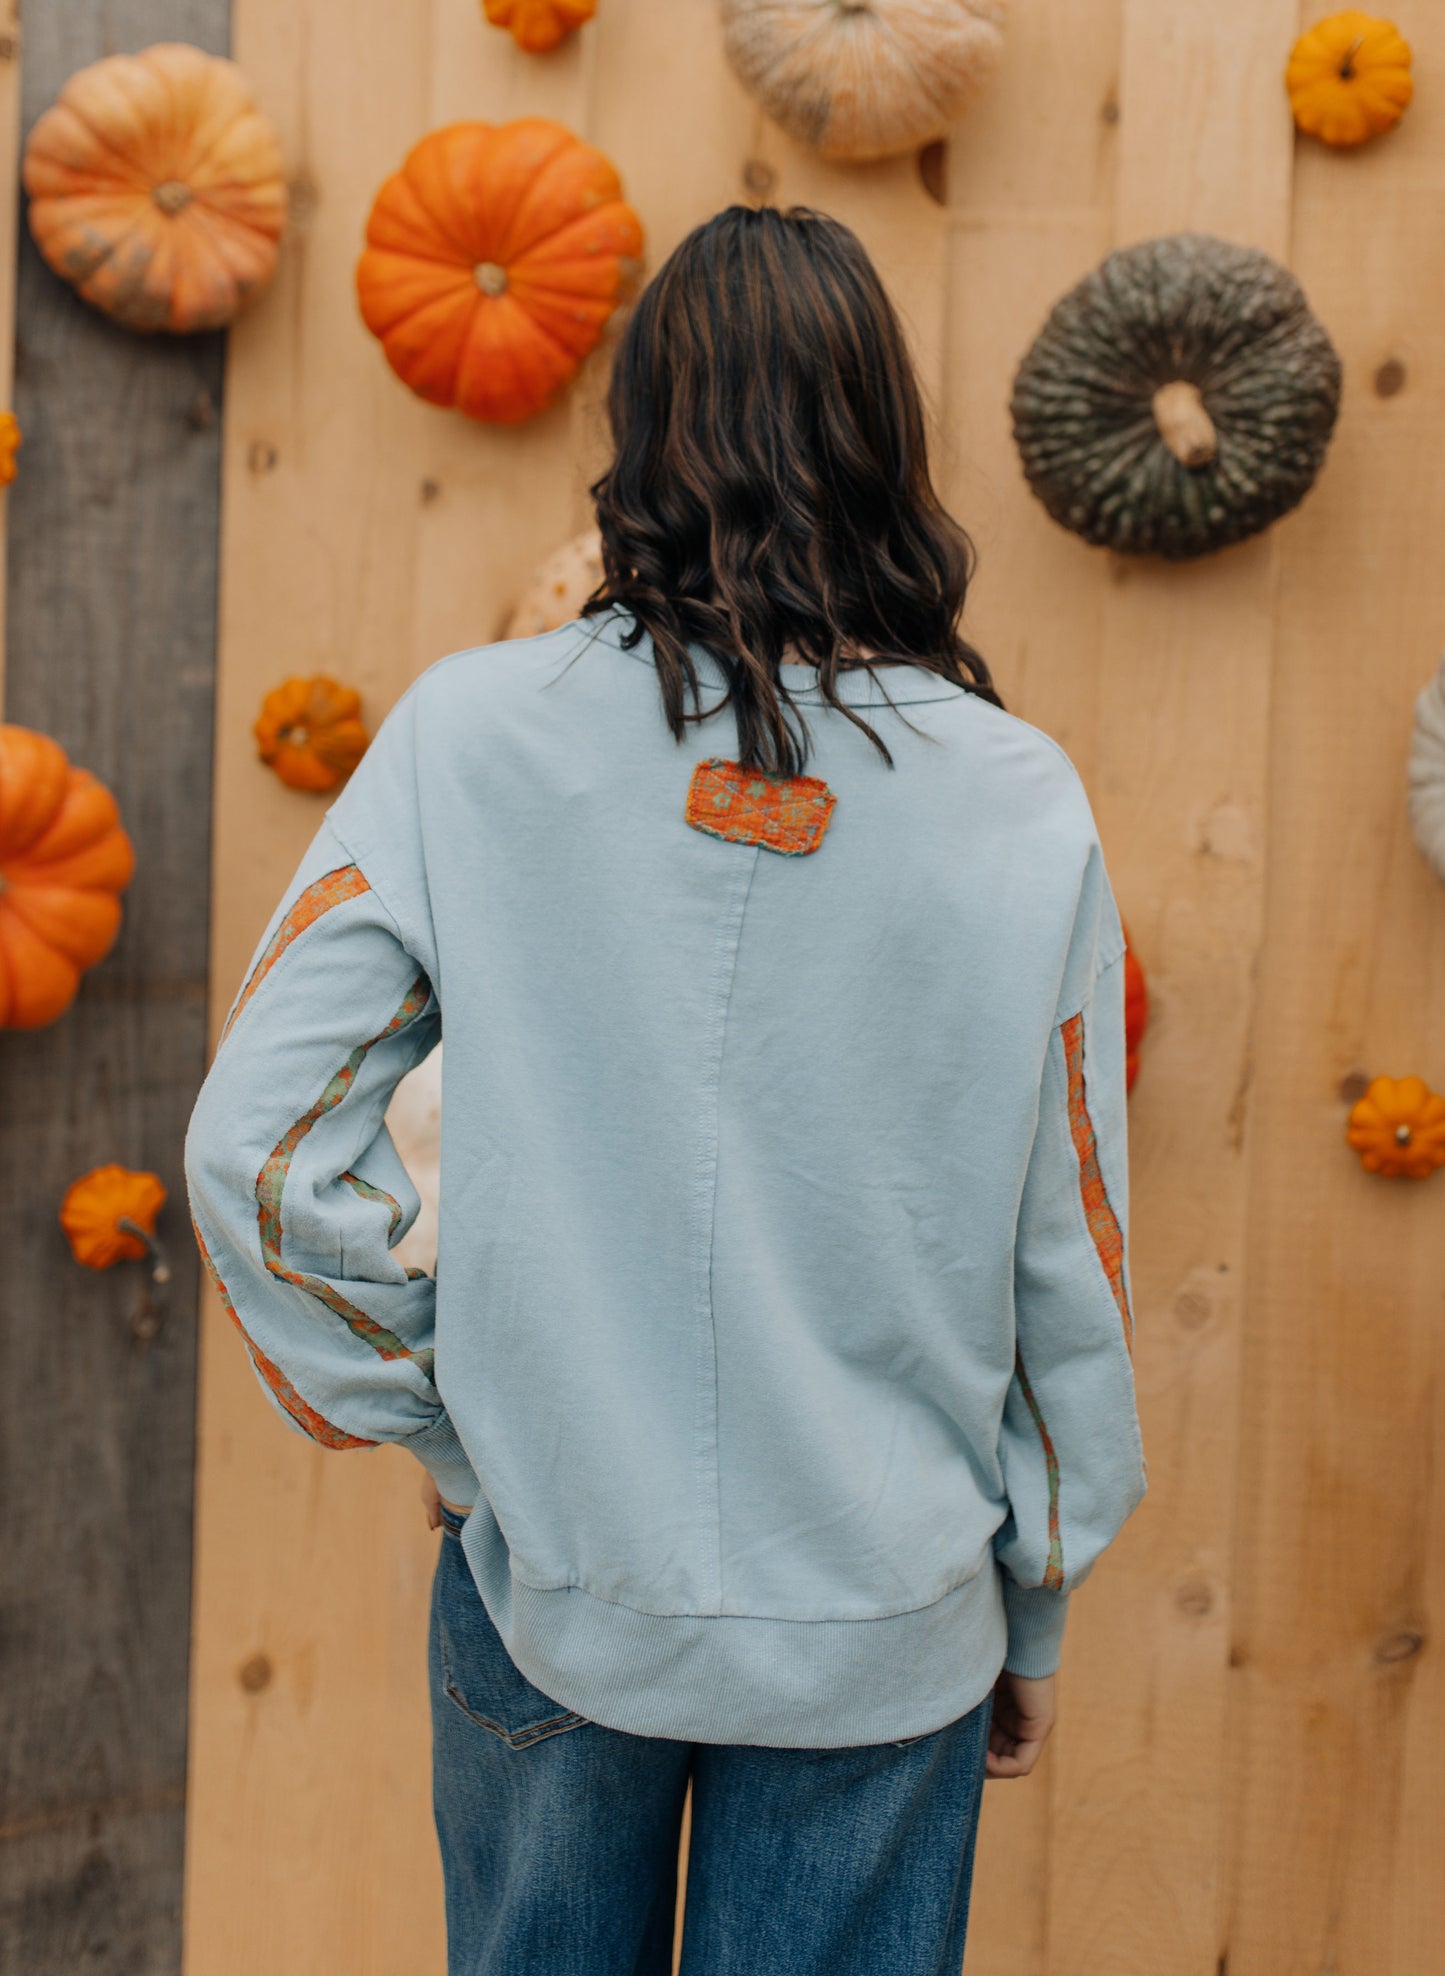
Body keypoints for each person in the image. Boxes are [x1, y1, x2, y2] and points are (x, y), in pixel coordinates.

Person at [185, 203, 1148, 1974]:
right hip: (886, 1623)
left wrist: (446, 1423)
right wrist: (1031, 1609)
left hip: (548, 1579)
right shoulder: (1018, 796)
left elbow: (257, 1146)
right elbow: (1062, 1249)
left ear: (637, 432)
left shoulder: (470, 737)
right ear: (888, 440)